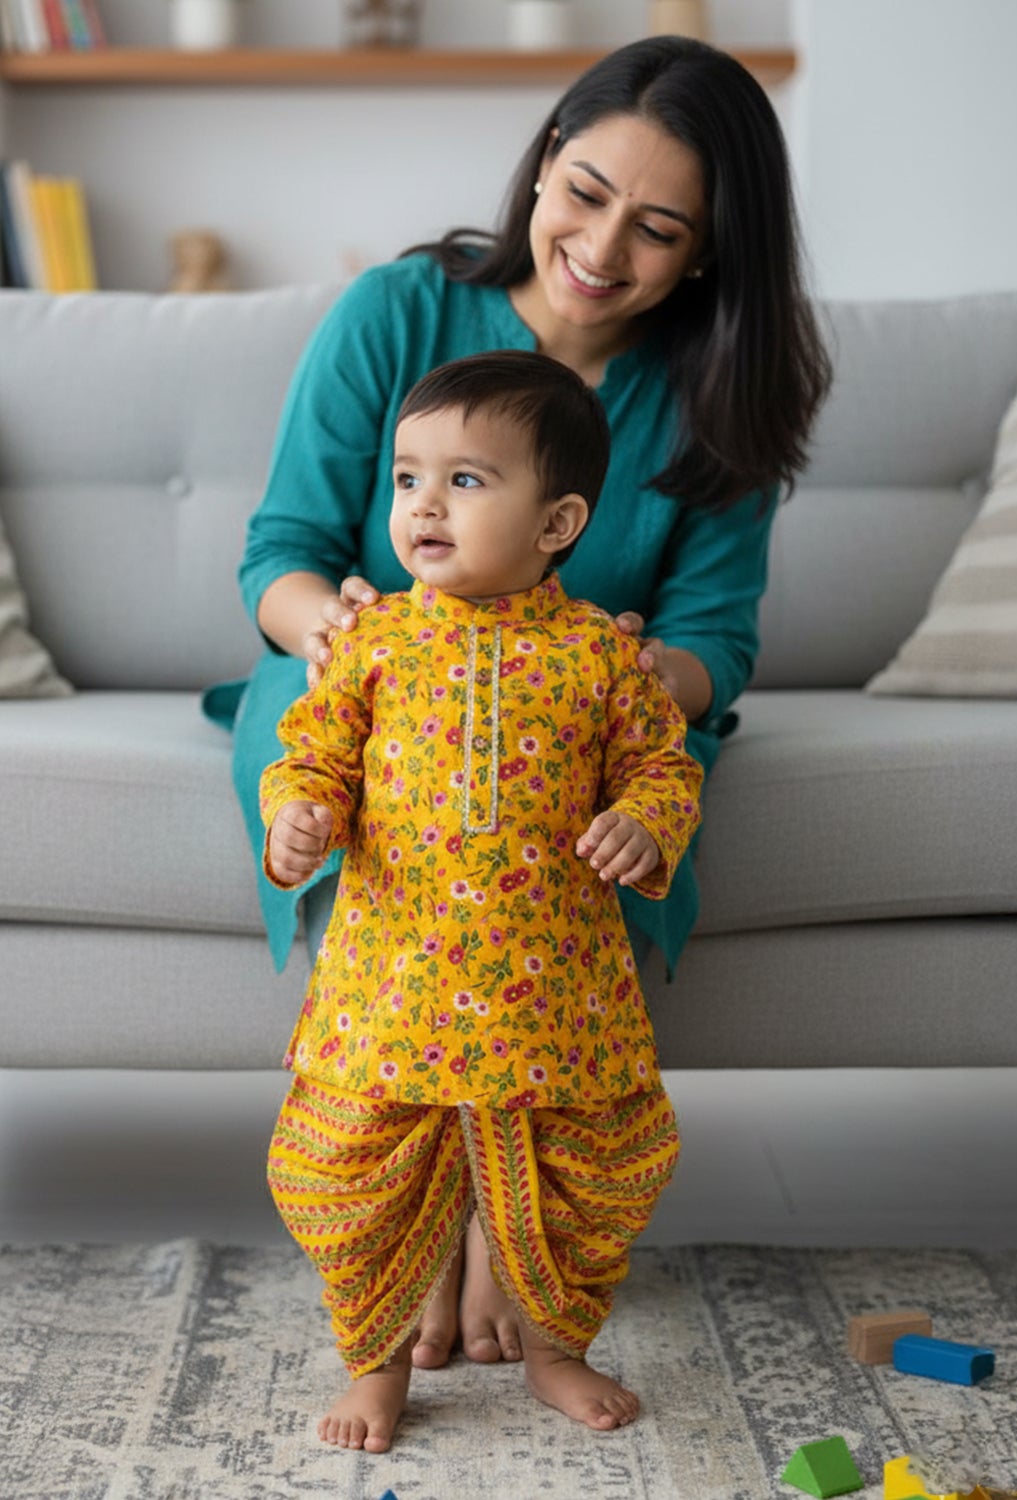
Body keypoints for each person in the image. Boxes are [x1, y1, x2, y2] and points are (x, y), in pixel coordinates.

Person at [202, 34, 830, 1373]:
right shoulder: (397, 312)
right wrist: (344, 631)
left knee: (618, 801)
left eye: (659, 229)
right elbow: (284, 552)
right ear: (544, 160)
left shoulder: (720, 390)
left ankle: (513, 1218)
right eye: (586, 191)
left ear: (711, 251)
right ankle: (407, 1202)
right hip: (360, 673)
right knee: (328, 773)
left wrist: (604, 687)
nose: (603, 246)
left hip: (592, 700)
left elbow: (715, 635)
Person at [262, 350, 702, 1453]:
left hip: (552, 998)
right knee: (350, 1179)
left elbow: (663, 767)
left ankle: (558, 1353)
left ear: (556, 524)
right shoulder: (369, 643)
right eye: (407, 478)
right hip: (393, 992)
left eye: (465, 481)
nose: (423, 505)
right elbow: (312, 756)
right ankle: (377, 1365)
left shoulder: (603, 658)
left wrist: (646, 823)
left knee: (581, 1185)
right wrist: (300, 817)